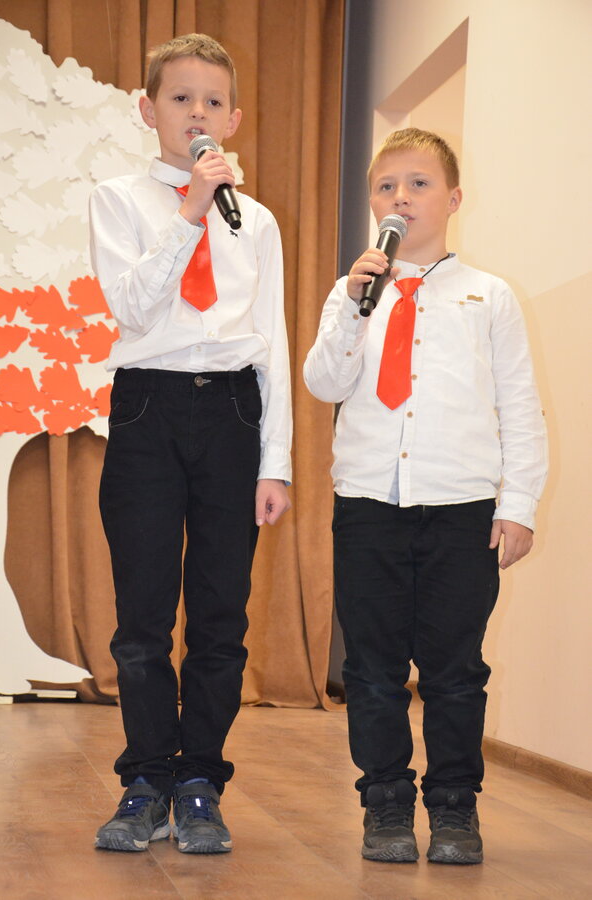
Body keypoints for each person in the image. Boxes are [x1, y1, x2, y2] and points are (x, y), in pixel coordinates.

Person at [304, 128, 547, 865]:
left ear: (453, 198)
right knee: (372, 668)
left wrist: (518, 505)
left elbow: (520, 405)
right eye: (386, 186)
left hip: (462, 510)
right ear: (371, 202)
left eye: (418, 183)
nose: (401, 197)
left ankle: (453, 807)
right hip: (369, 505)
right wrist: (355, 304)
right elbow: (324, 382)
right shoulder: (354, 292)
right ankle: (384, 802)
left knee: (455, 670)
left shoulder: (489, 296)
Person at [89, 33, 292, 854]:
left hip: (233, 414)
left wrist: (275, 461)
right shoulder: (118, 200)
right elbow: (134, 308)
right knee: (142, 616)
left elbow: (272, 341)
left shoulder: (259, 221)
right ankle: (146, 781)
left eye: (212, 101)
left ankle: (201, 781)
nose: (197, 113)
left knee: (219, 615)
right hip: (148, 407)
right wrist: (188, 213)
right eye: (180, 99)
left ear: (234, 118)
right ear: (149, 110)